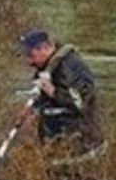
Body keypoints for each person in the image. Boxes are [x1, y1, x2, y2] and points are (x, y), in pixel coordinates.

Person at [16, 28, 103, 158]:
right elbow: (48, 100)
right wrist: (33, 110)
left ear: (44, 48)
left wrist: (53, 92)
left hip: (82, 146)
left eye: (30, 55)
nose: (29, 62)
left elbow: (81, 102)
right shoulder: (48, 68)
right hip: (58, 144)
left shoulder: (71, 68)